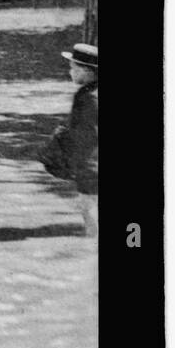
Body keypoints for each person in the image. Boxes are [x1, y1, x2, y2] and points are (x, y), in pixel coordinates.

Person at [39, 42, 99, 234]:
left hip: (91, 162)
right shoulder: (92, 93)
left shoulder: (87, 97)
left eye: (73, 68)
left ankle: (94, 244)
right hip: (93, 160)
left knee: (88, 205)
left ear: (87, 71)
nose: (70, 72)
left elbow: (85, 135)